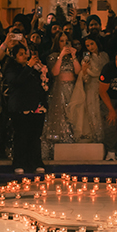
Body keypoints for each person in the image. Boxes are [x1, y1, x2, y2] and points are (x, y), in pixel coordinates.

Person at [2, 42, 48, 174]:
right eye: (21, 54)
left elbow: (42, 84)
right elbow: (17, 82)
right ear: (15, 57)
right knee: (21, 135)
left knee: (35, 136)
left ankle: (36, 162)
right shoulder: (11, 69)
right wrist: (28, 67)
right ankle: (19, 162)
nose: (24, 56)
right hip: (20, 107)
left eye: (25, 54)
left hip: (36, 106)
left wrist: (41, 70)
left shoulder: (34, 69)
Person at [41, 32, 80, 161]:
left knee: (72, 115)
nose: (65, 44)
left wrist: (73, 56)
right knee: (60, 116)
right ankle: (55, 148)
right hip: (59, 90)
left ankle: (71, 145)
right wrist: (61, 56)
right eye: (62, 41)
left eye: (67, 41)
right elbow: (54, 73)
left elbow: (78, 72)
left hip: (72, 89)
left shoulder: (72, 57)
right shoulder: (53, 57)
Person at [68, 34, 106, 144]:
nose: (90, 47)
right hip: (91, 87)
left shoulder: (104, 56)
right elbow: (85, 79)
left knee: (103, 111)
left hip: (104, 86)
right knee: (93, 112)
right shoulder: (86, 59)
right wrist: (84, 71)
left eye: (92, 44)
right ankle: (96, 138)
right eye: (87, 45)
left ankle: (105, 140)